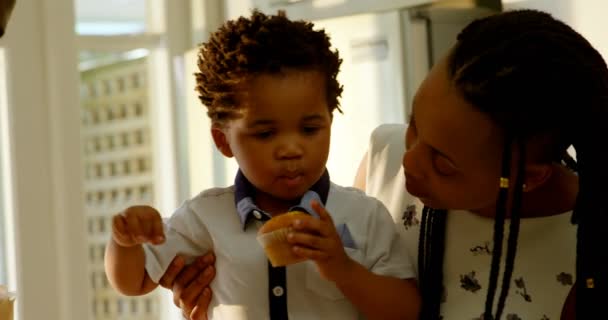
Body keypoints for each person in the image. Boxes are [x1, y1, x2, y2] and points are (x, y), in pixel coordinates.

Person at [163, 9, 608, 320]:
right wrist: (231, 293)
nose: (409, 162)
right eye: (415, 125)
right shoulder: (385, 156)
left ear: (529, 178)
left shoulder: (581, 256)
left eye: (443, 164)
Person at [104, 10, 421, 320]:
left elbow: (407, 311)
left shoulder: (364, 216)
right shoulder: (204, 218)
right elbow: (134, 281)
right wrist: (125, 242)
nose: (291, 149)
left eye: (309, 129)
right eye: (266, 133)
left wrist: (343, 269)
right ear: (223, 141)